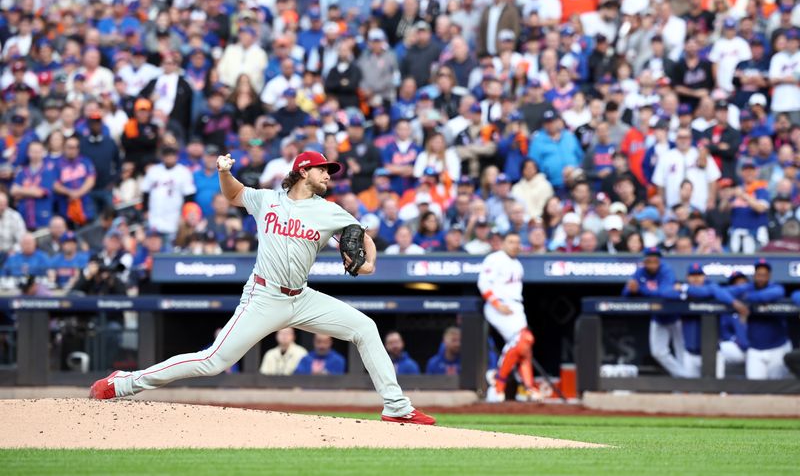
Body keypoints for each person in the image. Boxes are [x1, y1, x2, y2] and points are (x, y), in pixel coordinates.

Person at [89, 149, 435, 425]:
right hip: (264, 295)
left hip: (302, 297)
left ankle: (396, 406)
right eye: (322, 170)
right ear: (303, 172)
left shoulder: (330, 211)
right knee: (212, 360)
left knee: (365, 327)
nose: (328, 175)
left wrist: (370, 263)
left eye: (330, 171)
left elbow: (362, 237)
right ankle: (124, 382)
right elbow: (235, 193)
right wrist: (224, 172)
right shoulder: (268, 200)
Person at [478, 232, 539, 402]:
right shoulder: (495, 258)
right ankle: (499, 383)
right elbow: (483, 283)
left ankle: (526, 388)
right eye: (511, 242)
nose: (515, 245)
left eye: (518, 242)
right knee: (522, 341)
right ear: (503, 243)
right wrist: (497, 304)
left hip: (516, 307)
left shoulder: (518, 264)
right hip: (499, 306)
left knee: (525, 346)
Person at [660, 263, 749, 378]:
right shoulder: (684, 290)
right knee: (690, 392)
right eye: (693, 275)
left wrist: (685, 289)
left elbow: (710, 290)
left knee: (716, 391)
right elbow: (665, 293)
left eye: (699, 275)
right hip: (689, 354)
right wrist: (686, 292)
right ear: (687, 277)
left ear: (704, 277)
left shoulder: (711, 288)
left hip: (712, 353)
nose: (696, 278)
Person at [622, 247, 689, 378]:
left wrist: (641, 289)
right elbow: (625, 293)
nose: (652, 264)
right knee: (658, 352)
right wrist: (631, 290)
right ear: (644, 262)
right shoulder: (640, 272)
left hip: (675, 316)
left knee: (682, 352)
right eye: (649, 261)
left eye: (655, 261)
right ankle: (686, 379)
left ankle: (686, 383)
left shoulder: (666, 270)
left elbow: (665, 293)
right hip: (658, 317)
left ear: (659, 261)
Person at [727, 259, 791, 380]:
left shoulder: (775, 287)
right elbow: (724, 292)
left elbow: (775, 293)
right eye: (758, 274)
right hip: (755, 349)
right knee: (754, 388)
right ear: (754, 275)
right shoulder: (747, 287)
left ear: (769, 276)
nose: (761, 278)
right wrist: (736, 302)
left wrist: (747, 299)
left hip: (777, 347)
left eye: (764, 275)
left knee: (776, 389)